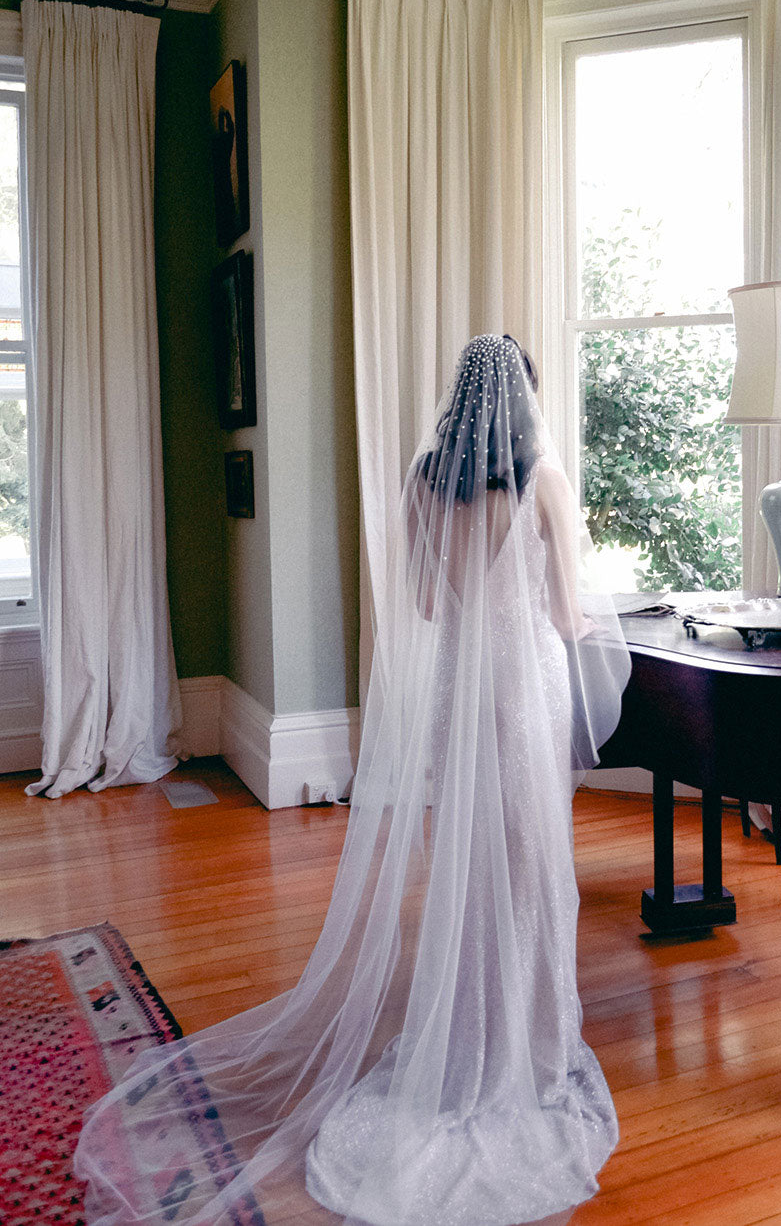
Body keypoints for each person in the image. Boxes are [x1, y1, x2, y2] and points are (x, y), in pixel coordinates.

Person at [75, 333, 632, 1226]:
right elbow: (569, 617)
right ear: (527, 400)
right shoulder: (546, 482)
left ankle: (463, 1032)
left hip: (456, 689)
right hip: (519, 692)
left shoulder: (422, 477)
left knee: (467, 868)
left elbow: (418, 604)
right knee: (529, 871)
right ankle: (526, 1048)